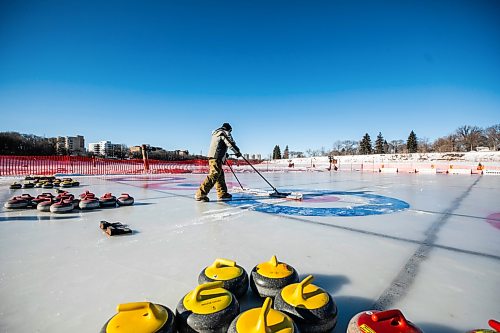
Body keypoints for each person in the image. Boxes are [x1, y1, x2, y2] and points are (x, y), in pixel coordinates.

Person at [195, 123, 242, 202]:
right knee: (214, 174)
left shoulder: (216, 134)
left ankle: (222, 194)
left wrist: (224, 154)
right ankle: (201, 194)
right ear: (229, 129)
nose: (230, 132)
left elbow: (218, 146)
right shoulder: (224, 133)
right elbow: (230, 143)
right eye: (230, 131)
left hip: (213, 156)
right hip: (216, 157)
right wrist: (237, 152)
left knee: (219, 175)